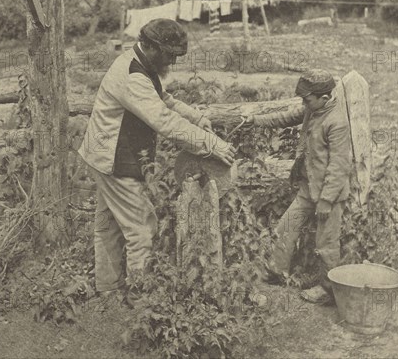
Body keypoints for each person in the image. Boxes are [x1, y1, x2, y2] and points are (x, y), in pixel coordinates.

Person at [78, 19, 235, 302]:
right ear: (150, 46)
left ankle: (108, 289)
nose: (172, 62)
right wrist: (210, 144)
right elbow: (163, 120)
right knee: (142, 226)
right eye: (169, 55)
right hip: (113, 159)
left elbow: (165, 100)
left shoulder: (140, 63)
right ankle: (140, 298)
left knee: (109, 223)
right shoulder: (132, 75)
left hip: (106, 154)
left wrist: (197, 118)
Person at [244, 69, 352, 304]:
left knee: (326, 243)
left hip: (328, 194)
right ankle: (275, 271)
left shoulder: (337, 122)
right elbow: (284, 117)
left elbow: (340, 166)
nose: (303, 103)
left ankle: (329, 291)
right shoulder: (312, 110)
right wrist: (256, 120)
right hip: (308, 187)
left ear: (324, 98)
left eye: (307, 99)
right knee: (286, 226)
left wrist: (326, 200)